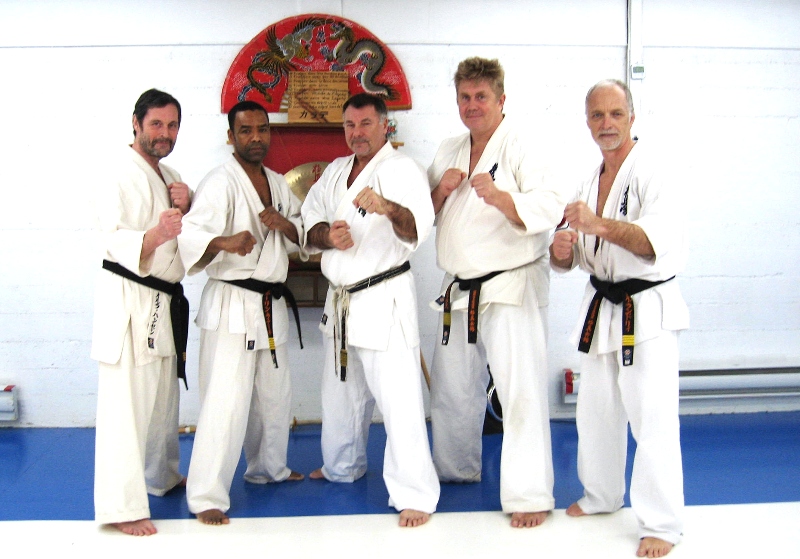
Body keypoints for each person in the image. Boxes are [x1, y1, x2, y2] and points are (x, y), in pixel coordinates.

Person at [549, 79, 688, 558]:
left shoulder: (655, 171)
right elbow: (570, 258)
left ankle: (662, 523)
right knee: (596, 411)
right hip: (601, 306)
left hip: (646, 309)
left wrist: (596, 225)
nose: (606, 124)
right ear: (587, 121)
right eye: (597, 115)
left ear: (632, 116)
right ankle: (602, 495)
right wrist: (561, 250)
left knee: (652, 419)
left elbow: (651, 244)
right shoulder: (589, 179)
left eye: (615, 114)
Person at [427, 57, 565, 528]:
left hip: (511, 284)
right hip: (458, 289)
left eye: (481, 97)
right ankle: (455, 469)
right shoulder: (449, 148)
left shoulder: (524, 145)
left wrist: (501, 197)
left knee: (519, 392)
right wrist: (439, 192)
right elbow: (422, 216)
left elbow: (551, 207)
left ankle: (530, 495)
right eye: (464, 97)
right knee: (452, 388)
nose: (472, 105)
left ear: (501, 99)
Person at [302, 93, 439, 527]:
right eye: (350, 125)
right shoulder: (335, 172)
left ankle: (415, 493)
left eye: (365, 124)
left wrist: (387, 207)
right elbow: (310, 219)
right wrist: (327, 235)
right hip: (342, 299)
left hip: (384, 297)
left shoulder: (403, 170)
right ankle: (342, 466)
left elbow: (417, 227)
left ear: (385, 126)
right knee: (340, 391)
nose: (357, 133)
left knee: (398, 399)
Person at [178, 101, 305, 526]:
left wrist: (285, 225)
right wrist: (225, 242)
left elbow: (300, 231)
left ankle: (269, 468)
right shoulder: (219, 182)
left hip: (270, 303)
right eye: (246, 130)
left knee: (274, 395)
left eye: (262, 129)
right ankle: (206, 494)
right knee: (224, 401)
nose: (256, 137)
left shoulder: (278, 183)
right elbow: (191, 237)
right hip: (232, 302)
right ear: (231, 136)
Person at [91, 88, 191, 536]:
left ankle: (160, 475)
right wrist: (153, 235)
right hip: (129, 299)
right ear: (136, 123)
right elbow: (109, 237)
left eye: (172, 125)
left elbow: (184, 235)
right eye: (156, 124)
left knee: (162, 401)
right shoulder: (115, 171)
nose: (164, 133)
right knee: (126, 407)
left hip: (162, 299)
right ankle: (120, 508)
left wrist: (187, 205)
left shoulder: (170, 175)